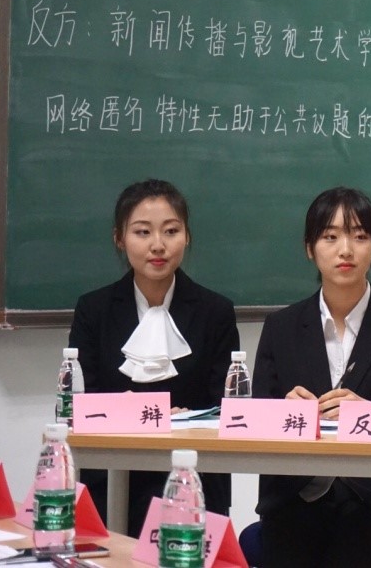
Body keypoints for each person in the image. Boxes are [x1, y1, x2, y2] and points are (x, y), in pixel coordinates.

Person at [252, 187, 371, 568]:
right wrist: (285, 413)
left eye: (359, 236)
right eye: (330, 237)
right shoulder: (281, 328)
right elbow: (255, 423)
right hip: (296, 498)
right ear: (309, 248)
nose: (345, 250)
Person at [69, 179, 238, 538]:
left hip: (194, 481)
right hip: (111, 483)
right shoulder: (93, 310)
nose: (158, 245)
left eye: (171, 231)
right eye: (142, 232)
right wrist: (133, 412)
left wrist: (185, 421)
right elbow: (81, 406)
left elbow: (226, 410)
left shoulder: (215, 312)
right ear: (120, 238)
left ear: (187, 236)